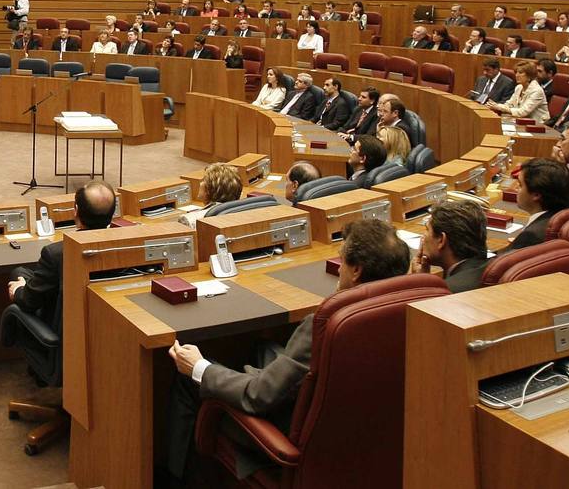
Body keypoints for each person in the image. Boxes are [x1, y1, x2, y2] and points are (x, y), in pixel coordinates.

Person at [164, 219, 410, 487]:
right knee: (262, 348)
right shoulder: (409, 310)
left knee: (189, 380)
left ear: (356, 271)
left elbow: (258, 396)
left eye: (342, 262)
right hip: (368, 434)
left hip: (290, 432)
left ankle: (175, 481)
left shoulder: (328, 323)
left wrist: (199, 368)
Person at [7, 178, 115, 314]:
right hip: (101, 316)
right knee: (26, 274)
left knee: (19, 274)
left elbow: (30, 302)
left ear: (76, 210)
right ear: (112, 215)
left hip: (65, 326)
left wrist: (18, 290)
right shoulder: (122, 248)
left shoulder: (55, 253)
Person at [415, 198, 490, 292]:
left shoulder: (446, 292)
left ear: (441, 240)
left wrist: (419, 284)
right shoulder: (494, 269)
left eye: (427, 230)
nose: (423, 237)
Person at [506, 157, 569, 250]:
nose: (515, 189)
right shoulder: (563, 216)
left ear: (536, 195)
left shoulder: (531, 236)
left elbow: (499, 263)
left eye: (520, 185)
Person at [179, 163, 243, 227]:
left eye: (203, 180)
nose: (200, 183)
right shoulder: (241, 211)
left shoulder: (188, 221)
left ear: (209, 189)